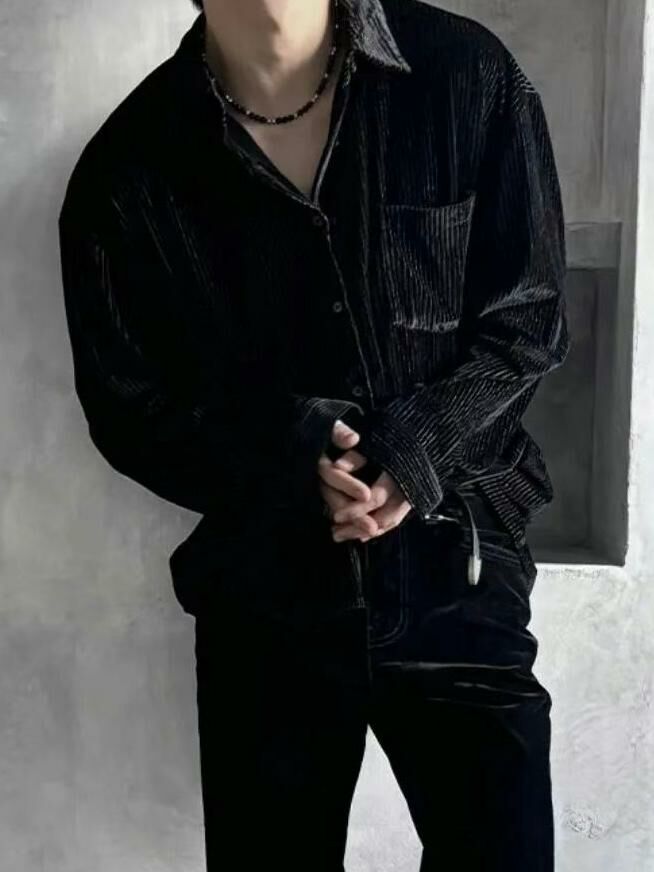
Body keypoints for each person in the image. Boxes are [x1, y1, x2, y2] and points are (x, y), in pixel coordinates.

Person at [57, 0, 570, 869]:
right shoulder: (129, 164)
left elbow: (529, 319)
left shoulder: (465, 75)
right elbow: (128, 407)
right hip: (266, 597)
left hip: (459, 572)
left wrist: (413, 449)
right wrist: (290, 452)